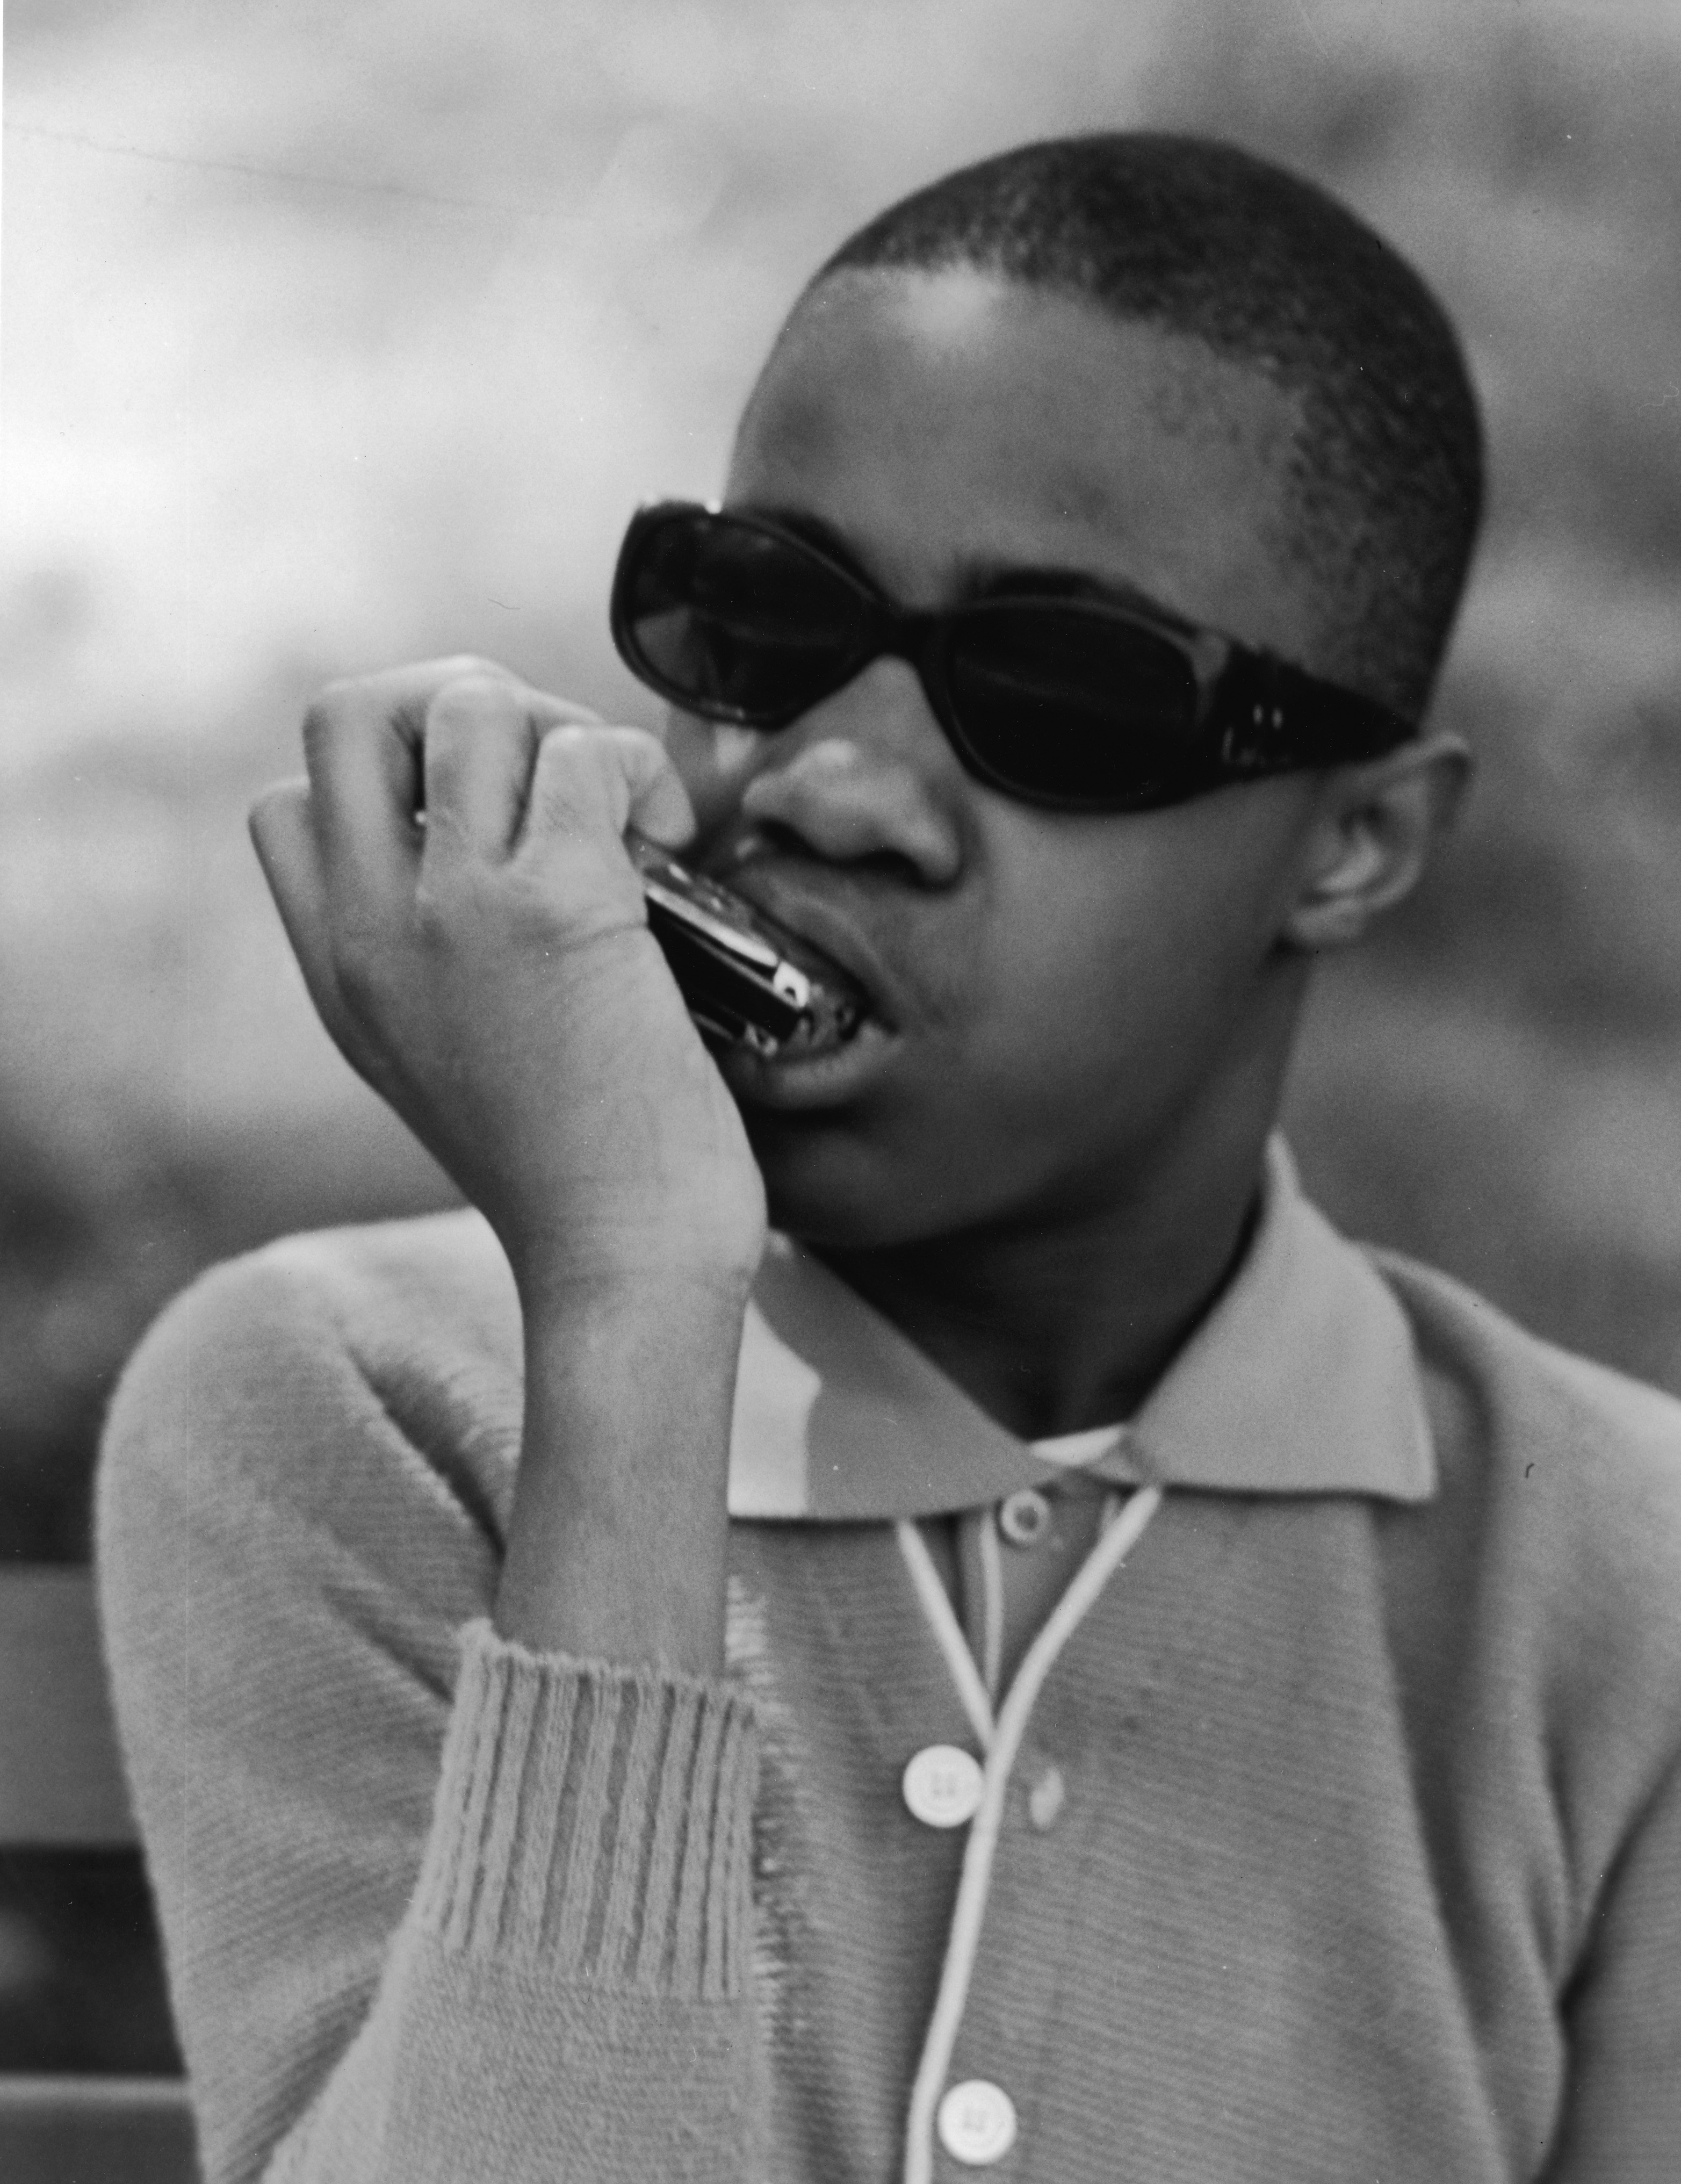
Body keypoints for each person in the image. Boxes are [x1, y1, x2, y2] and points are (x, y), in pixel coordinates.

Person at [97, 133, 1681, 2184]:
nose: (832, 782)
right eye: (759, 615)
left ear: (1355, 841)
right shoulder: (358, 1402)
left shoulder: (1615, 1587)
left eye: (1058, 688)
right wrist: (631, 1297)